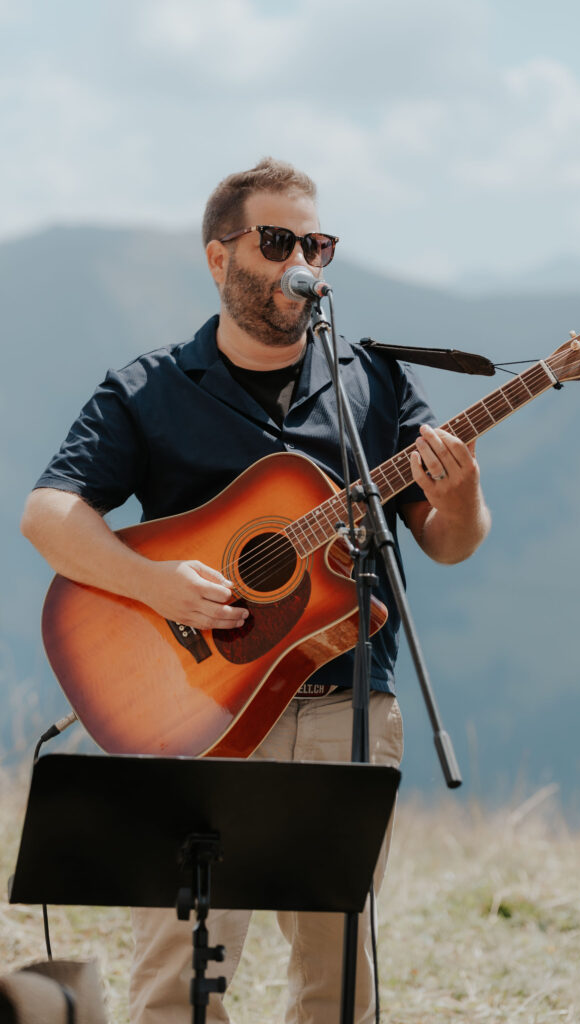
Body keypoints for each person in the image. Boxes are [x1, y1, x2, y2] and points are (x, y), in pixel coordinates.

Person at [21, 157, 490, 1024]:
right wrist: (154, 583)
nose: (299, 263)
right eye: (277, 242)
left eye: (316, 244)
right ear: (217, 257)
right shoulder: (147, 388)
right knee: (175, 974)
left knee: (336, 975)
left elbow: (448, 544)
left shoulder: (374, 384)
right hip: (193, 710)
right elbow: (48, 514)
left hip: (347, 704)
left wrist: (459, 493)